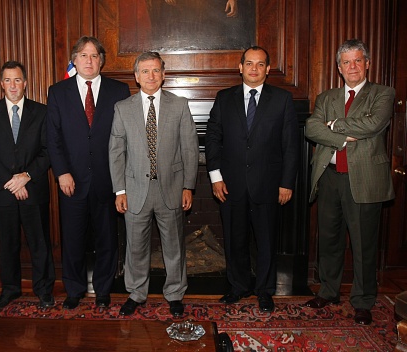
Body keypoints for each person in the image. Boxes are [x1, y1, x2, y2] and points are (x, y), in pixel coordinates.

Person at [304, 39, 395, 325]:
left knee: (363, 244)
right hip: (329, 177)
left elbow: (373, 124)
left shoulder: (383, 93)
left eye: (357, 60)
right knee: (328, 240)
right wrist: (344, 135)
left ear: (367, 63)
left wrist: (333, 126)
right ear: (339, 68)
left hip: (364, 179)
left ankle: (363, 301)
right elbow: (311, 128)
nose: (352, 66)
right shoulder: (327, 97)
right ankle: (328, 291)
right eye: (346, 62)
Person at [205, 46, 299, 313]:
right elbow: (212, 138)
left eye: (260, 64)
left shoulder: (282, 99)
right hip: (230, 184)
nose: (254, 69)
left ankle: (265, 291)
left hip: (269, 185)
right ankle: (238, 287)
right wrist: (215, 177)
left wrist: (287, 182)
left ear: (268, 69)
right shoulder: (224, 98)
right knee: (235, 239)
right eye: (249, 63)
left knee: (266, 241)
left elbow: (290, 145)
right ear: (240, 67)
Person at [109, 51, 199, 317]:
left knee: (174, 247)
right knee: (136, 247)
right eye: (145, 71)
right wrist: (120, 190)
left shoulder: (179, 105)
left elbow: (190, 149)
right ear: (136, 76)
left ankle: (174, 294)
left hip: (171, 189)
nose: (151, 76)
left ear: (163, 74)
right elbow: (116, 152)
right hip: (135, 191)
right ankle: (136, 294)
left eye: (156, 70)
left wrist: (188, 186)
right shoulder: (123, 108)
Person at [47, 36, 131, 309]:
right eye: (83, 55)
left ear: (101, 61)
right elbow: (53, 137)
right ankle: (74, 290)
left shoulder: (119, 90)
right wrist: (61, 173)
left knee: (107, 237)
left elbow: (126, 137)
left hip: (108, 179)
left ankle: (104, 289)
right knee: (72, 238)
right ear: (74, 60)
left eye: (94, 56)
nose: (89, 60)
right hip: (72, 179)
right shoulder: (58, 91)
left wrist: (121, 181)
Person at [0, 61, 55, 309]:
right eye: (8, 80)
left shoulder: (42, 112)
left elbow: (48, 150)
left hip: (34, 189)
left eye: (18, 80)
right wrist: (11, 182)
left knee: (39, 243)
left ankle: (44, 289)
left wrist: (26, 176)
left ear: (25, 83)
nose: (13, 85)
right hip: (3, 193)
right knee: (8, 244)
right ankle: (10, 289)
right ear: (2, 84)